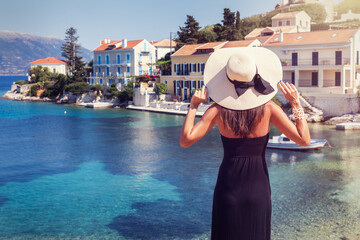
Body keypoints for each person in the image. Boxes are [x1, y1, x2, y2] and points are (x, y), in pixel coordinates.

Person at [180, 47, 310, 240]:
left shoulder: (217, 110)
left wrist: (193, 106)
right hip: (258, 189)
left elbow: (185, 140)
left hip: (228, 188)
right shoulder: (269, 108)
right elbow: (304, 139)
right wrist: (295, 103)